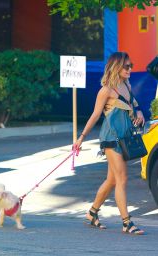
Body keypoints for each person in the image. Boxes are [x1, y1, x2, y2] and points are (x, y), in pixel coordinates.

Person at [73, 52, 145, 235]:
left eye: (131, 66)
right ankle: (127, 223)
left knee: (112, 179)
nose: (130, 69)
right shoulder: (105, 90)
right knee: (122, 179)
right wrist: (81, 137)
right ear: (116, 67)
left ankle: (92, 213)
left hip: (124, 136)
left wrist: (139, 112)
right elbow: (95, 115)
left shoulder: (126, 85)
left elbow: (134, 104)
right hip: (111, 138)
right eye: (126, 66)